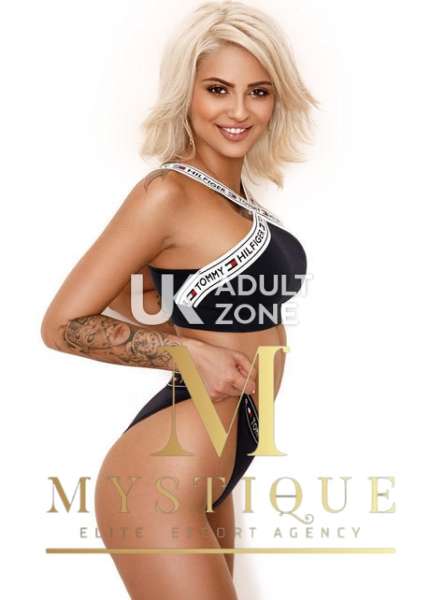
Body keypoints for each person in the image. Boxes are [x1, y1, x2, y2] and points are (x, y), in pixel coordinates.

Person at [40, 1, 317, 598]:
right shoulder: (167, 193)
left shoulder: (236, 198)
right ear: (185, 93)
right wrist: (190, 353)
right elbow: (62, 324)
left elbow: (138, 292)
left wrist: (184, 329)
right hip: (165, 470)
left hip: (222, 453)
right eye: (218, 89)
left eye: (258, 92)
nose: (239, 111)